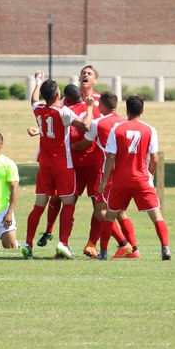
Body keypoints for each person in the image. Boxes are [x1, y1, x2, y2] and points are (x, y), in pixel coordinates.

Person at [24, 71, 93, 259]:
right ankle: (63, 243)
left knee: (39, 206)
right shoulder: (63, 112)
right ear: (57, 95)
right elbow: (86, 125)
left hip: (44, 165)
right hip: (64, 165)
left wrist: (37, 81)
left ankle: (28, 244)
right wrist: (89, 108)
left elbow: (33, 98)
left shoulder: (38, 109)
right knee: (68, 203)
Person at [37, 66, 103, 252]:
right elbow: (54, 121)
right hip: (70, 161)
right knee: (62, 196)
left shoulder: (98, 101)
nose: (85, 75)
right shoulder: (65, 101)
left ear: (95, 81)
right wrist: (40, 131)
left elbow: (105, 125)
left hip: (93, 160)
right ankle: (53, 234)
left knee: (101, 205)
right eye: (83, 73)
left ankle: (95, 244)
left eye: (90, 74)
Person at [97, 95, 170, 261]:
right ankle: (165, 248)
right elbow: (155, 159)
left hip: (121, 180)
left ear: (127, 110)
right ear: (142, 111)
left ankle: (103, 252)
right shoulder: (150, 129)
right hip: (142, 179)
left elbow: (110, 157)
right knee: (156, 215)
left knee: (109, 215)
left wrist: (103, 181)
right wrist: (149, 173)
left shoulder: (117, 129)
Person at [75, 90, 137, 260]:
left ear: (102, 105)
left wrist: (69, 146)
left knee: (100, 212)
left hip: (107, 174)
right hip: (124, 174)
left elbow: (85, 143)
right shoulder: (125, 122)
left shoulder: (98, 123)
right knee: (120, 212)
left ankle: (124, 244)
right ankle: (135, 250)